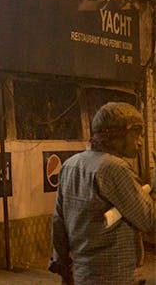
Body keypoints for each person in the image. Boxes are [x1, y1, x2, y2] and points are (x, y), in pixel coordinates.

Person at [49, 102, 155, 285]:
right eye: (137, 134)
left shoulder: (70, 165)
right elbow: (148, 220)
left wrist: (63, 266)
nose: (140, 141)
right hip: (115, 276)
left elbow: (58, 221)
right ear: (120, 133)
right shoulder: (114, 168)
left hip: (83, 275)